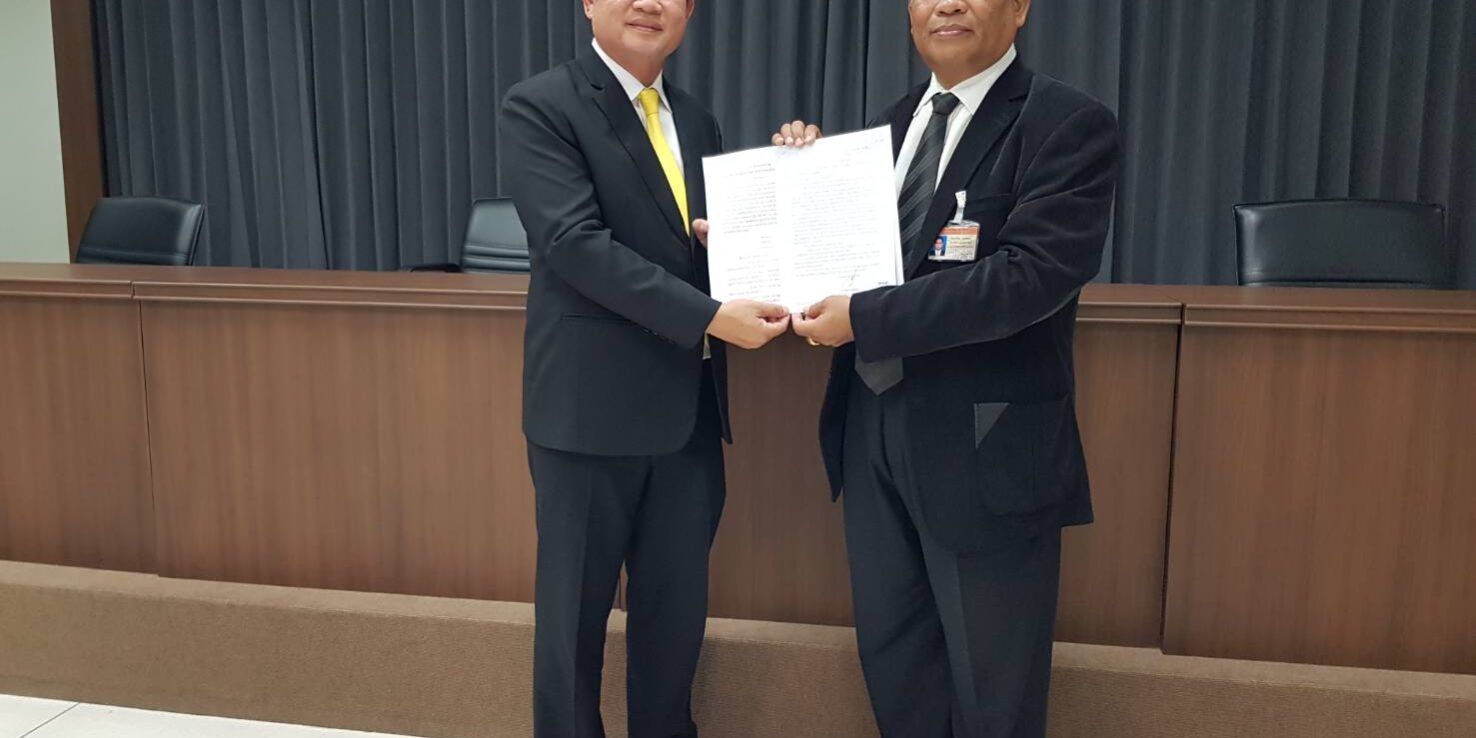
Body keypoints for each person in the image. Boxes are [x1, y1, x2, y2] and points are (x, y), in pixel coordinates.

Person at [775, 1, 1122, 735]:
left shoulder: (1066, 124)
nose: (948, 3)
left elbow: (1025, 279)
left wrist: (863, 320)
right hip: (871, 429)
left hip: (986, 449)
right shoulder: (885, 130)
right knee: (897, 672)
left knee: (995, 696)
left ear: (1019, 8)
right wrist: (777, 207)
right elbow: (842, 266)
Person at [498, 1, 789, 735]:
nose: (648, 2)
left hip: (687, 418)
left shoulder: (697, 119)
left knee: (674, 626)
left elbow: (704, 248)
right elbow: (575, 244)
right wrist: (708, 316)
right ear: (589, 3)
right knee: (572, 629)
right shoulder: (542, 105)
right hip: (587, 417)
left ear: (689, 11)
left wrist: (796, 181)